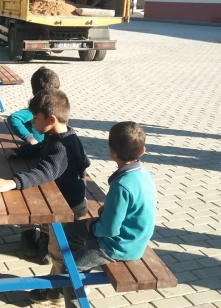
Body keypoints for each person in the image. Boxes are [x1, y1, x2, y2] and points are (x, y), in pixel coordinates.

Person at [0, 89, 90, 305]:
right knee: (59, 251)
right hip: (65, 203)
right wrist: (22, 152)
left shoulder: (61, 146)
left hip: (68, 210)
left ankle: (59, 292)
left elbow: (45, 171)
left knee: (60, 253)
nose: (32, 122)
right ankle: (59, 286)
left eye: (35, 118)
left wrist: (12, 183)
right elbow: (43, 149)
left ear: (50, 120)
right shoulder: (61, 136)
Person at [61, 121, 156, 308]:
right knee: (70, 231)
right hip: (136, 237)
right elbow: (134, 207)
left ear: (111, 151)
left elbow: (109, 229)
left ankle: (77, 294)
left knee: (69, 269)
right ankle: (82, 274)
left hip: (119, 246)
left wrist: (93, 227)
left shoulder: (121, 185)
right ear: (142, 151)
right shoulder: (146, 175)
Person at [8, 66, 60, 264]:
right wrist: (29, 139)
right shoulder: (39, 108)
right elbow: (14, 118)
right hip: (35, 157)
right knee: (27, 194)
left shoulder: (56, 110)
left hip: (49, 159)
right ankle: (29, 234)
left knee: (48, 198)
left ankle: (43, 239)